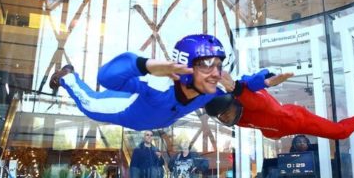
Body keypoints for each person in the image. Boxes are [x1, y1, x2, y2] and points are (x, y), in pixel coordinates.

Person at [48, 34, 228, 131]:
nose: (216, 74)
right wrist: (146, 66)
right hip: (125, 109)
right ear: (186, 66)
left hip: (148, 117)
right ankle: (67, 76)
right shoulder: (158, 85)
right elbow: (105, 77)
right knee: (89, 103)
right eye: (206, 65)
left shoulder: (211, 92)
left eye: (219, 66)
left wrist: (237, 88)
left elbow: (249, 86)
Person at [205, 70, 354, 140]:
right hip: (275, 131)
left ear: (234, 103)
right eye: (221, 118)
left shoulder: (254, 102)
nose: (226, 118)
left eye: (226, 113)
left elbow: (256, 99)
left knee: (340, 133)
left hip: (297, 120)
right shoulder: (236, 119)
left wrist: (238, 87)